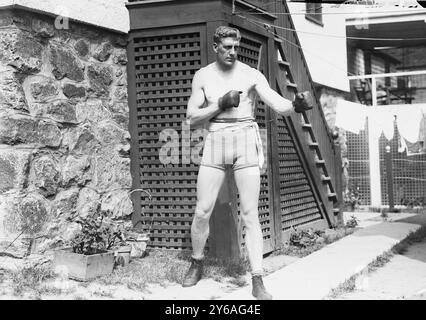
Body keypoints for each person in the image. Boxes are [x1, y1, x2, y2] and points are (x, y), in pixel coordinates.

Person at [182, 26, 313, 300]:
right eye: (227, 46)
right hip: (216, 139)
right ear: (216, 46)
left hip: (244, 139)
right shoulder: (203, 76)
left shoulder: (251, 74)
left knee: (250, 214)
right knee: (203, 210)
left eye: (235, 46)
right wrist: (220, 103)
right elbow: (192, 118)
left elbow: (277, 103)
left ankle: (257, 277)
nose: (232, 51)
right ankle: (197, 261)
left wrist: (295, 106)